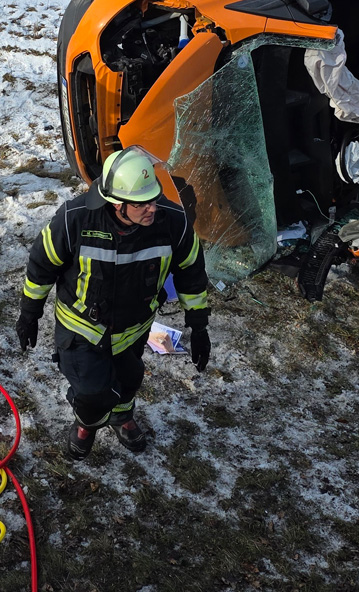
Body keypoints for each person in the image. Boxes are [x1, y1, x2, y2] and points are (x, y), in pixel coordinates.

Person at [14, 145, 212, 460]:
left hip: (134, 330)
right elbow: (41, 266)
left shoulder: (173, 222)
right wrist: (29, 314)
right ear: (117, 204)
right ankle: (86, 421)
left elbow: (192, 275)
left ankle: (121, 416)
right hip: (82, 332)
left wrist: (199, 326)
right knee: (94, 393)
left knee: (129, 379)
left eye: (153, 198)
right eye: (141, 204)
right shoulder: (75, 220)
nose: (152, 209)